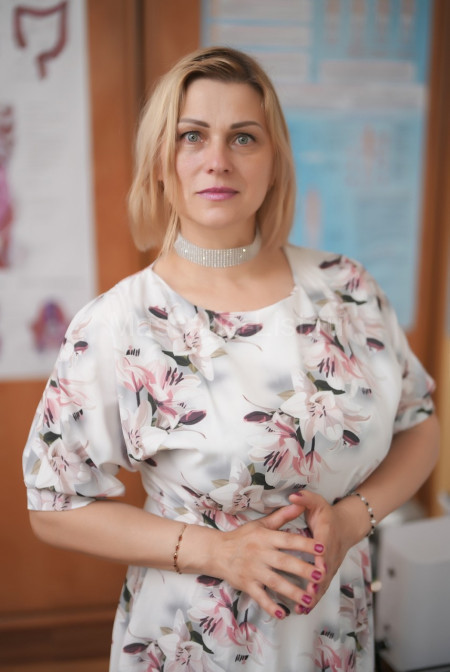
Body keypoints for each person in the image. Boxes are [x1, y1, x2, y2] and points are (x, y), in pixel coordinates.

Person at [23, 46, 439, 671]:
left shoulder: (347, 287)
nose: (217, 160)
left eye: (243, 137)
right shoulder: (117, 323)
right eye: (192, 136)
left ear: (274, 160)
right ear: (161, 160)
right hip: (193, 637)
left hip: (333, 630)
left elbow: (420, 423)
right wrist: (218, 552)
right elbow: (54, 506)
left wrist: (353, 521)